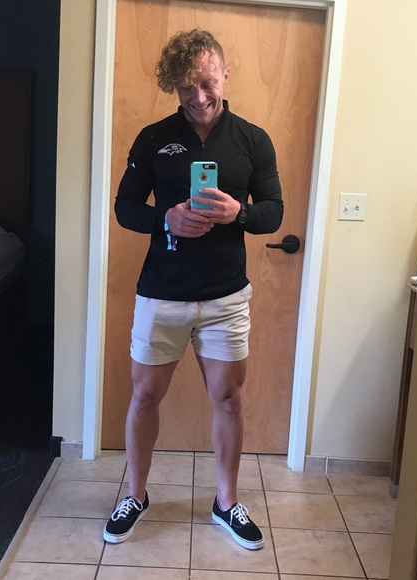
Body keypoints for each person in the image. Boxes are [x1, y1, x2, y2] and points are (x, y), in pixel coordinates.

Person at [103, 29, 283, 550]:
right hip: (161, 293)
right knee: (144, 395)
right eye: (186, 87)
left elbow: (274, 212)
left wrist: (239, 213)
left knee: (227, 398)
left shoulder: (253, 140)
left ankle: (226, 503)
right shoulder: (153, 138)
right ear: (174, 86)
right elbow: (125, 208)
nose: (198, 97)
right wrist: (167, 217)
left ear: (225, 75)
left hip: (226, 298)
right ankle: (135, 496)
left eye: (206, 83)